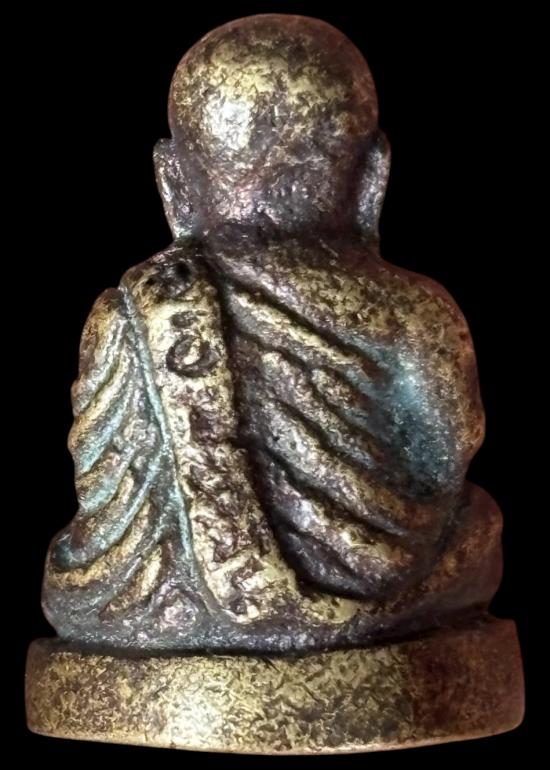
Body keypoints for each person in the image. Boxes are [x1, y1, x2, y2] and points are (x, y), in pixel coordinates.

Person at [43, 15, 502, 651]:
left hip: (139, 601)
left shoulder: (123, 311)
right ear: (375, 176)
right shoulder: (411, 310)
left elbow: (101, 485)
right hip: (376, 582)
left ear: (171, 183)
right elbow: (449, 454)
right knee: (477, 521)